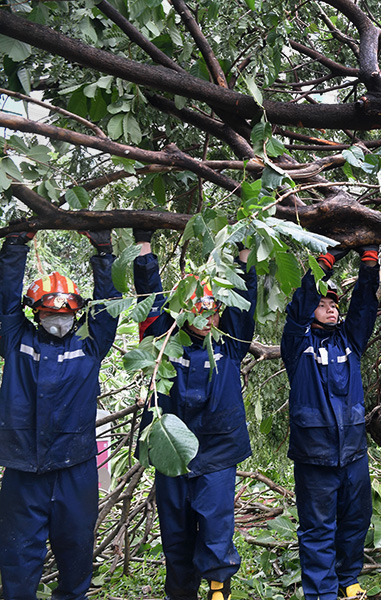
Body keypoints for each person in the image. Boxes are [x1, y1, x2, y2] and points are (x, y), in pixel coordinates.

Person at [133, 230, 257, 600]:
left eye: (212, 310)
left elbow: (243, 297)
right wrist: (144, 246)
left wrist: (244, 252)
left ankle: (219, 590)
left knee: (217, 526)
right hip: (172, 451)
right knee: (176, 532)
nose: (206, 318)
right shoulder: (163, 342)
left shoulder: (230, 344)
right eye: (198, 309)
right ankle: (181, 594)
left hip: (218, 450)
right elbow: (150, 299)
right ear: (183, 309)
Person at [0, 229, 121, 600]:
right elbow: (4, 303)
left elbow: (109, 306)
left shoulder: (89, 345)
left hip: (76, 468)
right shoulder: (16, 341)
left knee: (76, 553)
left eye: (65, 313)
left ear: (76, 312)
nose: (58, 320)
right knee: (18, 558)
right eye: (50, 313)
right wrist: (15, 247)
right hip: (24, 469)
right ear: (36, 312)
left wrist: (104, 253)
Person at [281, 245, 379, 600]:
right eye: (323, 304)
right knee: (318, 527)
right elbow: (297, 308)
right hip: (314, 457)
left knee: (355, 520)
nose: (332, 308)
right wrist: (324, 263)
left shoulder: (350, 341)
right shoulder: (298, 343)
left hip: (353, 453)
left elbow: (366, 307)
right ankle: (321, 593)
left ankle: (348, 578)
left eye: (335, 304)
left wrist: (369, 264)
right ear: (311, 310)